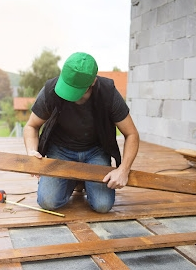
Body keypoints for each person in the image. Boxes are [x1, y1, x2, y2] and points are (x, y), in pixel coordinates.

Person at [23, 52, 139, 213]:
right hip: (60, 150)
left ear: (92, 82)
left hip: (95, 150)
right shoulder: (51, 89)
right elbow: (31, 126)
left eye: (75, 89)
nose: (68, 95)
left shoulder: (108, 93)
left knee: (103, 205)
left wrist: (123, 170)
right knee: (47, 202)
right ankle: (77, 180)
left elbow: (132, 134)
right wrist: (31, 152)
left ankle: (80, 180)